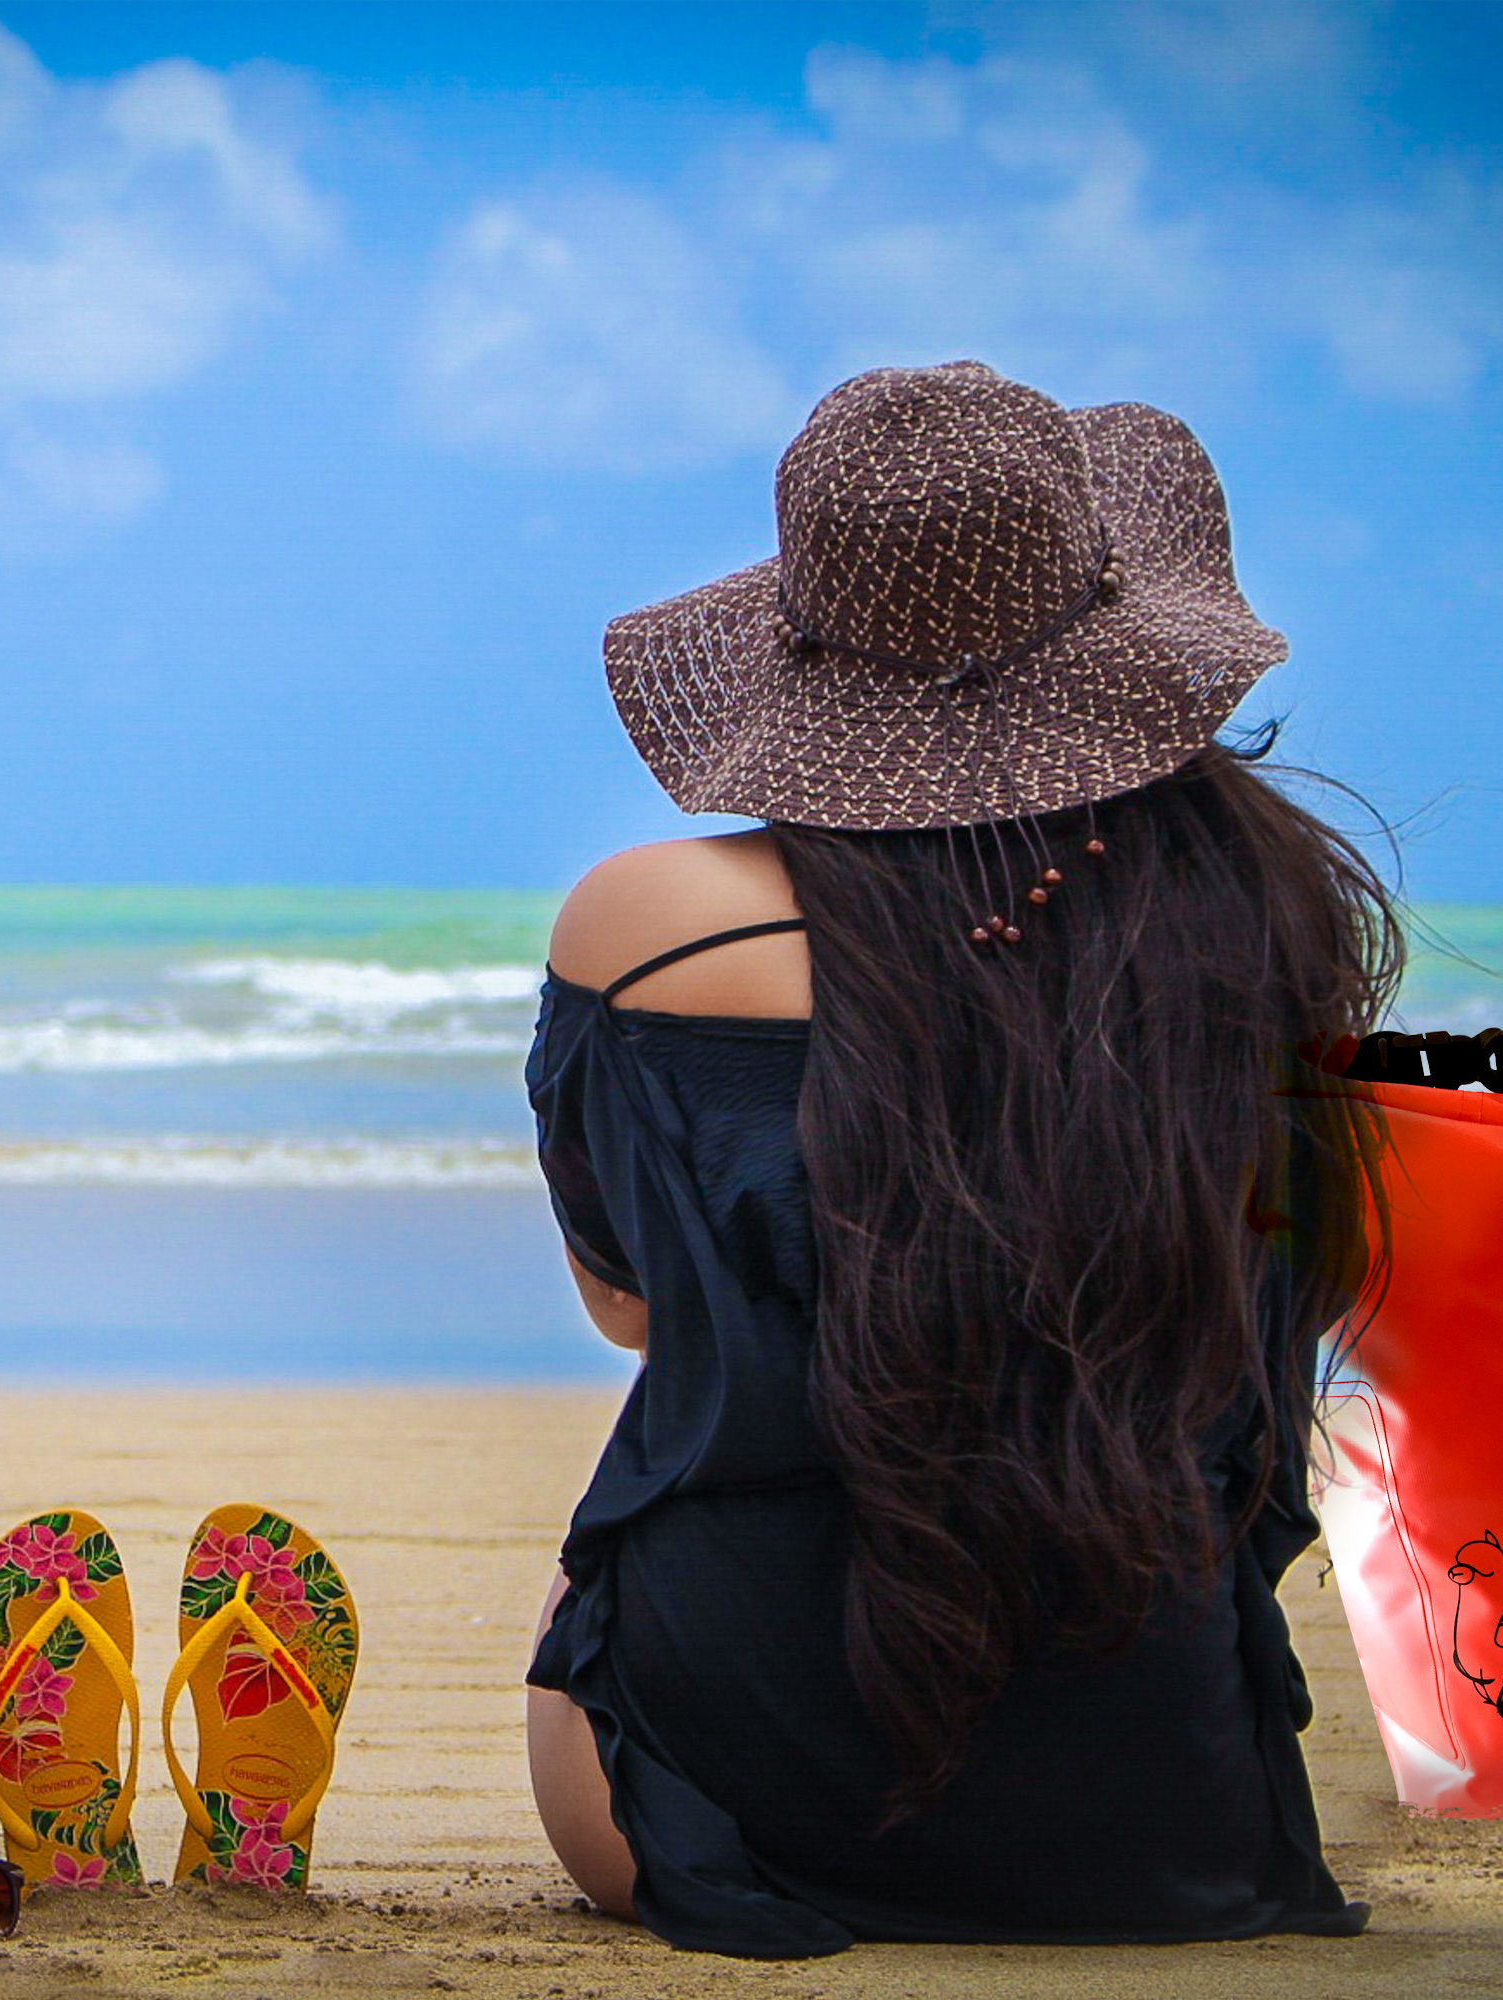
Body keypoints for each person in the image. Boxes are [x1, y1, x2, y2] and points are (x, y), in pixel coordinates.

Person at [522, 361, 1401, 1958]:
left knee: (637, 1567)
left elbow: (636, 1316)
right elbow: (1297, 1314)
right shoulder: (1251, 916)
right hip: (1167, 1805)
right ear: (1112, 627)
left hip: (722, 1788)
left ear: (798, 656)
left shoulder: (643, 935)